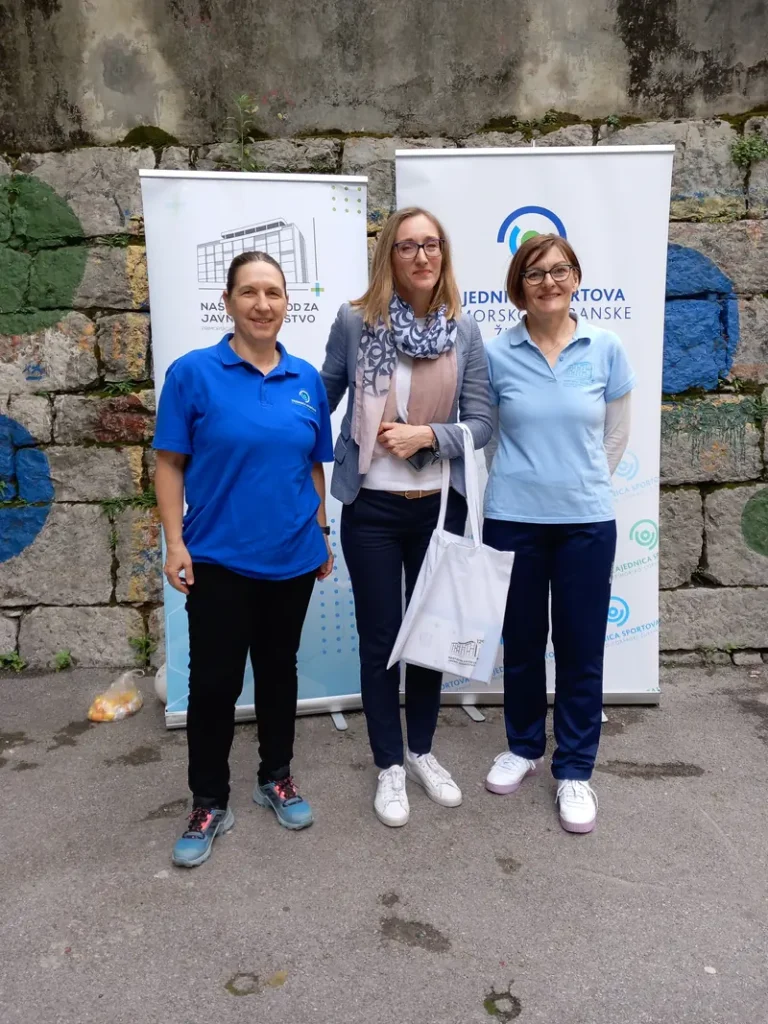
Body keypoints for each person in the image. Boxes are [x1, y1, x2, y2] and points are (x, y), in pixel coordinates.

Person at [154, 251, 334, 868]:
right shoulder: (193, 374)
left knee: (280, 672)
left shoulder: (307, 380)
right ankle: (209, 801)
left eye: (274, 293)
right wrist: (175, 543)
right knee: (213, 684)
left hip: (293, 557)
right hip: (219, 559)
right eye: (250, 292)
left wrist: (322, 532)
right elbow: (169, 464)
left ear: (287, 303)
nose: (263, 304)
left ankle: (276, 777)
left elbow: (311, 466)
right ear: (228, 301)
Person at [321, 206, 493, 828]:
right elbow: (320, 399)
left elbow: (482, 423)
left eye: (431, 245)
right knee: (379, 642)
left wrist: (429, 436)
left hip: (439, 509)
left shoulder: (464, 330)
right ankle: (388, 764)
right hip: (370, 508)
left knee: (428, 641)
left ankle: (421, 751)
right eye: (407, 246)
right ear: (388, 257)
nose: (422, 256)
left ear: (443, 255)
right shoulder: (354, 321)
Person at [483, 234, 634, 834]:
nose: (549, 282)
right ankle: (523, 746)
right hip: (513, 518)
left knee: (580, 647)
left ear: (576, 278)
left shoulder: (605, 347)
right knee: (521, 643)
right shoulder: (496, 354)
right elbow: (490, 437)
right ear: (518, 287)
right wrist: (526, 482)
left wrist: (581, 483)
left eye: (560, 270)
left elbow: (616, 434)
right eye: (535, 273)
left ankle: (574, 769)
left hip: (586, 523)